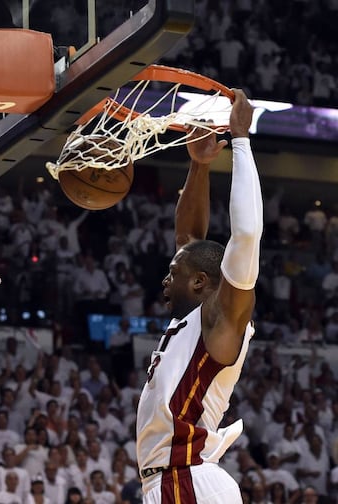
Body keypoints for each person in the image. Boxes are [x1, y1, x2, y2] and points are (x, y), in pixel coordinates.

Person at [136, 88, 263, 503]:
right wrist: (199, 166)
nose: (164, 281)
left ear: (199, 283)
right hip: (178, 480)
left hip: (184, 478)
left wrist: (241, 140)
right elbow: (189, 239)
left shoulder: (221, 318)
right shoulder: (193, 318)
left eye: (173, 274)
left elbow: (245, 236)